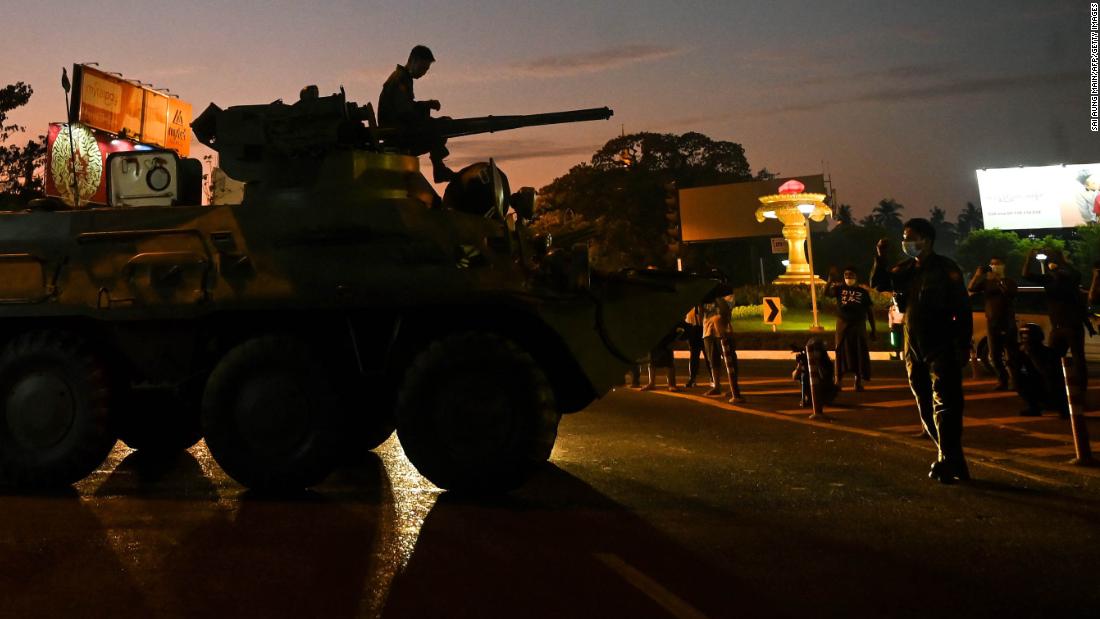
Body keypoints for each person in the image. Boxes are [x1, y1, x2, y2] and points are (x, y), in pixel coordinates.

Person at [871, 218, 972, 484]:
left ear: (926, 239)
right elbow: (880, 283)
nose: (906, 242)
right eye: (904, 237)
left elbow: (962, 309)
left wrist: (963, 344)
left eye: (911, 236)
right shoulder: (905, 269)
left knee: (947, 405)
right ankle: (952, 460)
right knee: (924, 405)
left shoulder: (946, 269)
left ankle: (948, 461)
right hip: (913, 345)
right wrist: (880, 257)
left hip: (942, 343)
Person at [1021, 248, 1092, 403]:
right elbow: (1026, 275)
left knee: (1077, 359)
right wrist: (1029, 258)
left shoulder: (1069, 279)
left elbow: (1075, 275)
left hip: (1071, 326)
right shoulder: (1049, 279)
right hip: (1058, 326)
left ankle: (1080, 391)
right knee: (1053, 360)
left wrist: (1059, 262)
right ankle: (1057, 391)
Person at [378, 45, 456, 183]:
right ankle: (439, 168)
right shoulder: (400, 79)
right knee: (443, 126)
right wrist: (428, 120)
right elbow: (404, 113)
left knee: (440, 125)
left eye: (426, 70)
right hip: (397, 133)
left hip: (398, 129)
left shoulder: (403, 78)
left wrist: (426, 105)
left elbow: (406, 107)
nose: (423, 72)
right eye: (422, 68)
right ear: (413, 60)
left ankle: (439, 168)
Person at [967, 256, 1020, 391]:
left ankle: (1016, 381)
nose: (994, 266)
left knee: (1011, 354)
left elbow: (1010, 293)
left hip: (1007, 322)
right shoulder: (986, 282)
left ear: (1003, 266)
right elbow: (971, 288)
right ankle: (1003, 380)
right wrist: (977, 275)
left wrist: (998, 280)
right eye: (992, 264)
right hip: (992, 322)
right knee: (995, 355)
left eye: (997, 264)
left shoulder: (1009, 281)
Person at [826, 266, 876, 391]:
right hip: (842, 326)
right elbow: (826, 293)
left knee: (859, 353)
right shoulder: (839, 289)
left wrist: (873, 330)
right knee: (840, 352)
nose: (848, 277)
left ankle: (857, 382)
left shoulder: (863, 292)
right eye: (846, 275)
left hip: (858, 326)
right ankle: (838, 380)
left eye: (851, 275)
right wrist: (829, 281)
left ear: (856, 276)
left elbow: (870, 312)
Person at [702, 293, 745, 403]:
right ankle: (716, 386)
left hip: (723, 330)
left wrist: (716, 296)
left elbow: (726, 308)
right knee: (713, 360)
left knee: (730, 361)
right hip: (708, 329)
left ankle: (734, 388)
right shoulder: (706, 295)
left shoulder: (727, 294)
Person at [682, 304, 711, 388]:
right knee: (694, 355)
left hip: (703, 327)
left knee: (708, 354)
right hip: (692, 327)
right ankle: (692, 378)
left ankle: (713, 378)